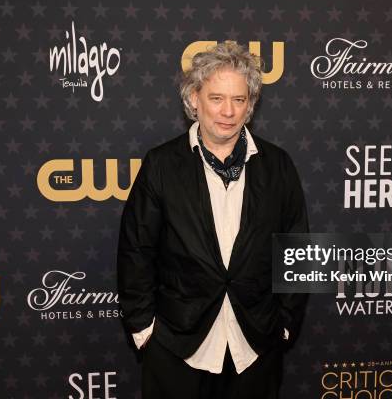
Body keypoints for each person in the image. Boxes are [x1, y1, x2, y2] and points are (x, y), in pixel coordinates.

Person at [117, 41, 308, 399]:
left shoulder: (278, 165)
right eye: (217, 98)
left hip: (255, 343)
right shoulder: (161, 164)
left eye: (239, 100)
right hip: (177, 344)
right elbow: (136, 250)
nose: (228, 112)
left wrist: (285, 323)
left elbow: (296, 247)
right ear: (194, 100)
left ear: (250, 105)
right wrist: (144, 330)